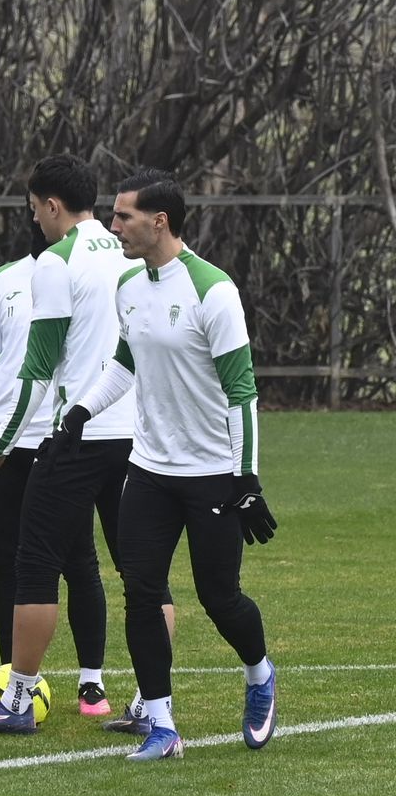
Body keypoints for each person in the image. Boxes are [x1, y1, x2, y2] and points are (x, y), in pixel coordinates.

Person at [0, 154, 171, 734]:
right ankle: (153, 704)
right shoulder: (129, 254)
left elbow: (37, 369)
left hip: (76, 435)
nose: (36, 222)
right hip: (137, 438)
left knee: (35, 565)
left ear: (50, 205)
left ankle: (17, 701)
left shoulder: (55, 262)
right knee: (141, 573)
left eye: (34, 210)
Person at [60, 169, 276, 761]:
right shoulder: (129, 285)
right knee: (141, 590)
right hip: (149, 470)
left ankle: (259, 675)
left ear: (160, 222)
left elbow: (243, 393)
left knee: (219, 596)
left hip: (211, 473)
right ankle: (161, 724)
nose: (113, 225)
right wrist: (80, 411)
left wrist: (246, 477)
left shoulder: (214, 291)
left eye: (124, 216)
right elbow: (124, 366)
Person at [0, 219, 122, 714]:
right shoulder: (5, 280)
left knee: (78, 560)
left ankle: (92, 681)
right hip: (1, 440)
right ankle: (11, 680)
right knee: (9, 564)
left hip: (59, 438)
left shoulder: (93, 270)